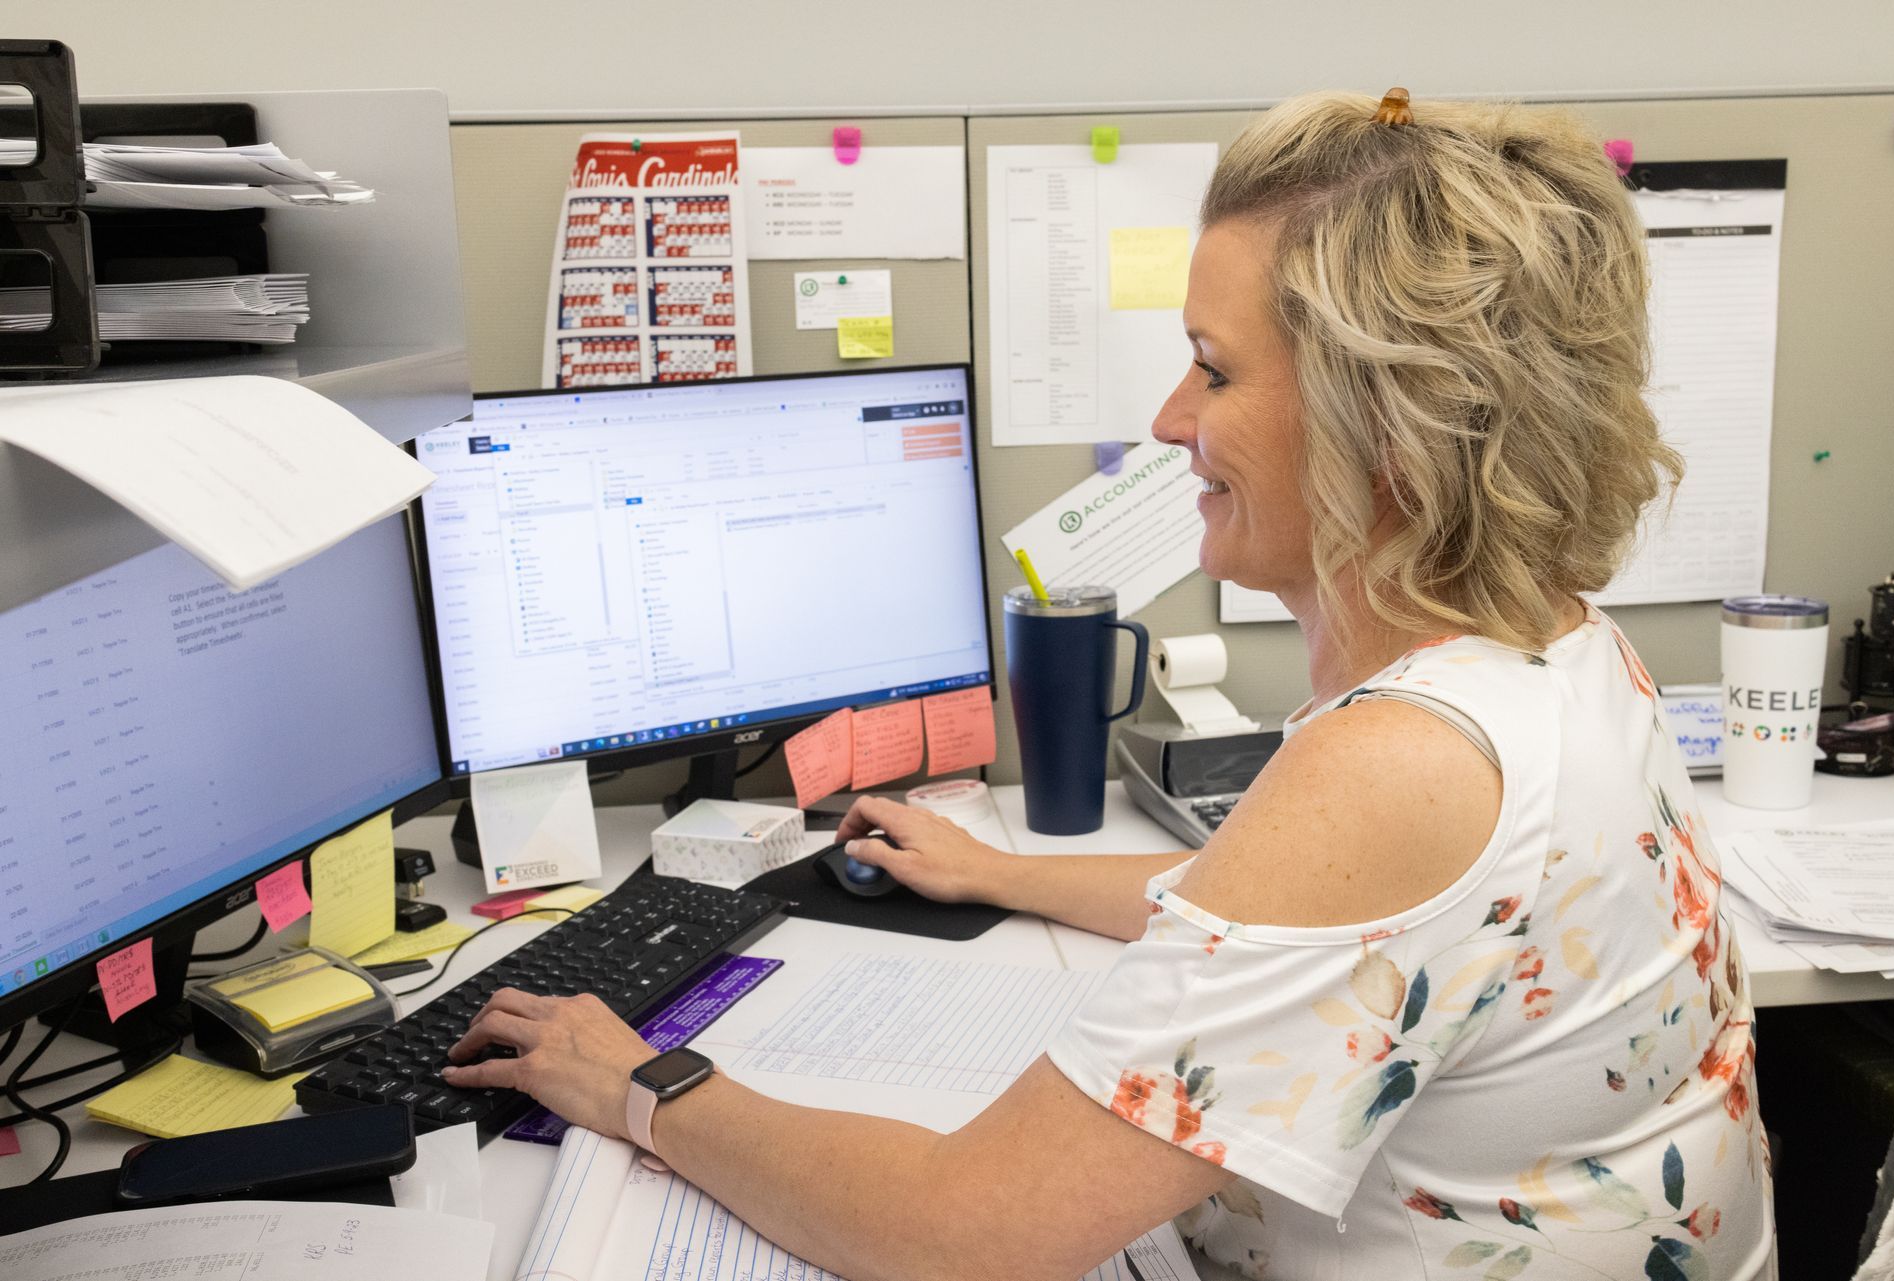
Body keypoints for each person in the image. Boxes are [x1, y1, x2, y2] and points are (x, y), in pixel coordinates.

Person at [445, 88, 1775, 1279]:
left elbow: (964, 1230)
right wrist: (1004, 872)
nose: (1168, 420)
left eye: (1216, 366)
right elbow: (1335, 927)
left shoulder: (1400, 761)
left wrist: (641, 1082)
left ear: (1391, 422)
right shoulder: (1553, 647)